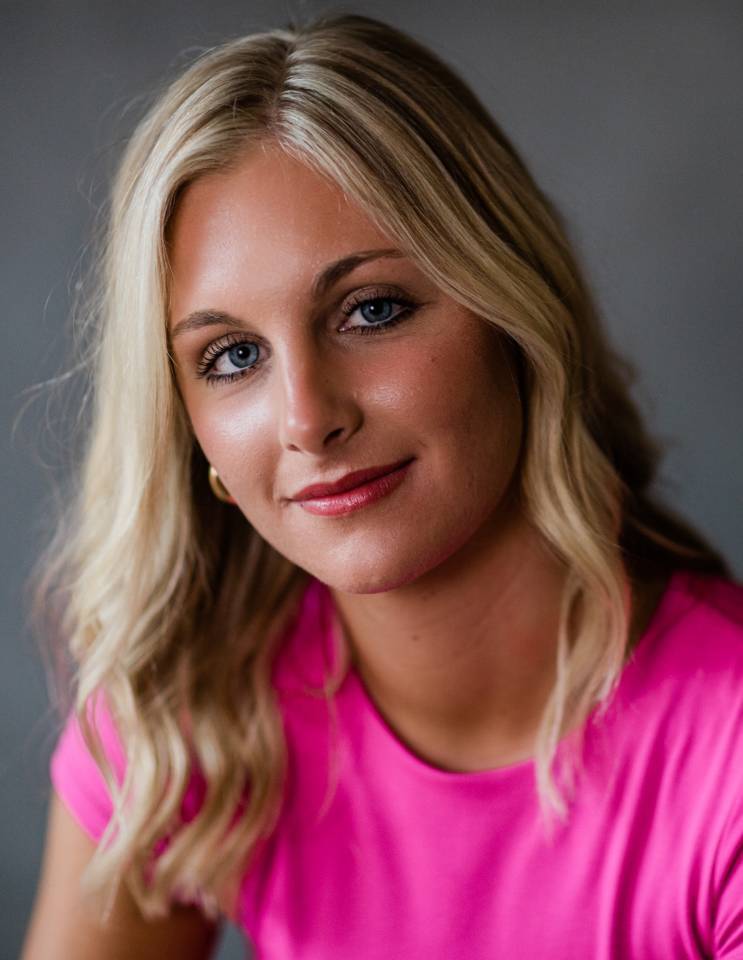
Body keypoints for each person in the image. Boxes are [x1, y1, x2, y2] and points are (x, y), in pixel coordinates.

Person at [21, 12, 743, 960]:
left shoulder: (724, 754)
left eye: (371, 309)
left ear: (512, 317)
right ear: (187, 426)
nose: (306, 417)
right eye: (232, 355)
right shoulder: (182, 717)